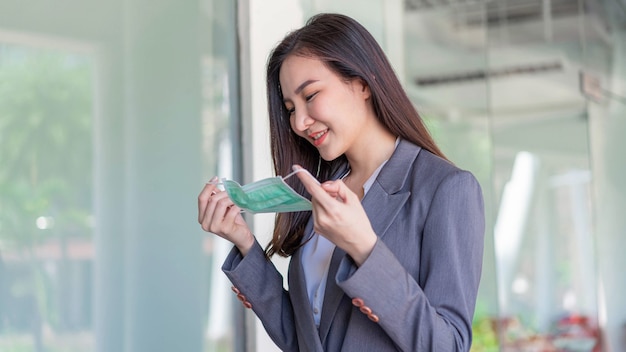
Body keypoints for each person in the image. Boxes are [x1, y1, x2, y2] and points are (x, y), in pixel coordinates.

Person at [198, 13, 485, 351]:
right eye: (290, 108)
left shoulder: (445, 189)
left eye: (311, 95)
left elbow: (448, 346)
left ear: (362, 83)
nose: (300, 122)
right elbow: (302, 338)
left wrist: (365, 248)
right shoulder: (321, 191)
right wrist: (244, 242)